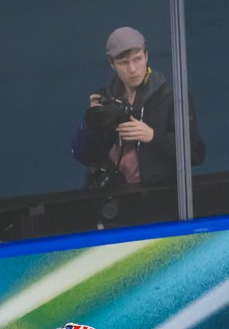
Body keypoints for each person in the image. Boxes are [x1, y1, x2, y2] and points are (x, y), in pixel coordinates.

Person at [70, 27, 203, 213]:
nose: (132, 69)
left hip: (160, 200)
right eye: (124, 63)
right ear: (112, 64)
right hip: (112, 201)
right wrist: (91, 124)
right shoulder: (104, 98)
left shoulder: (173, 98)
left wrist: (153, 136)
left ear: (146, 56)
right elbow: (83, 155)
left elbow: (196, 153)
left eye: (137, 59)